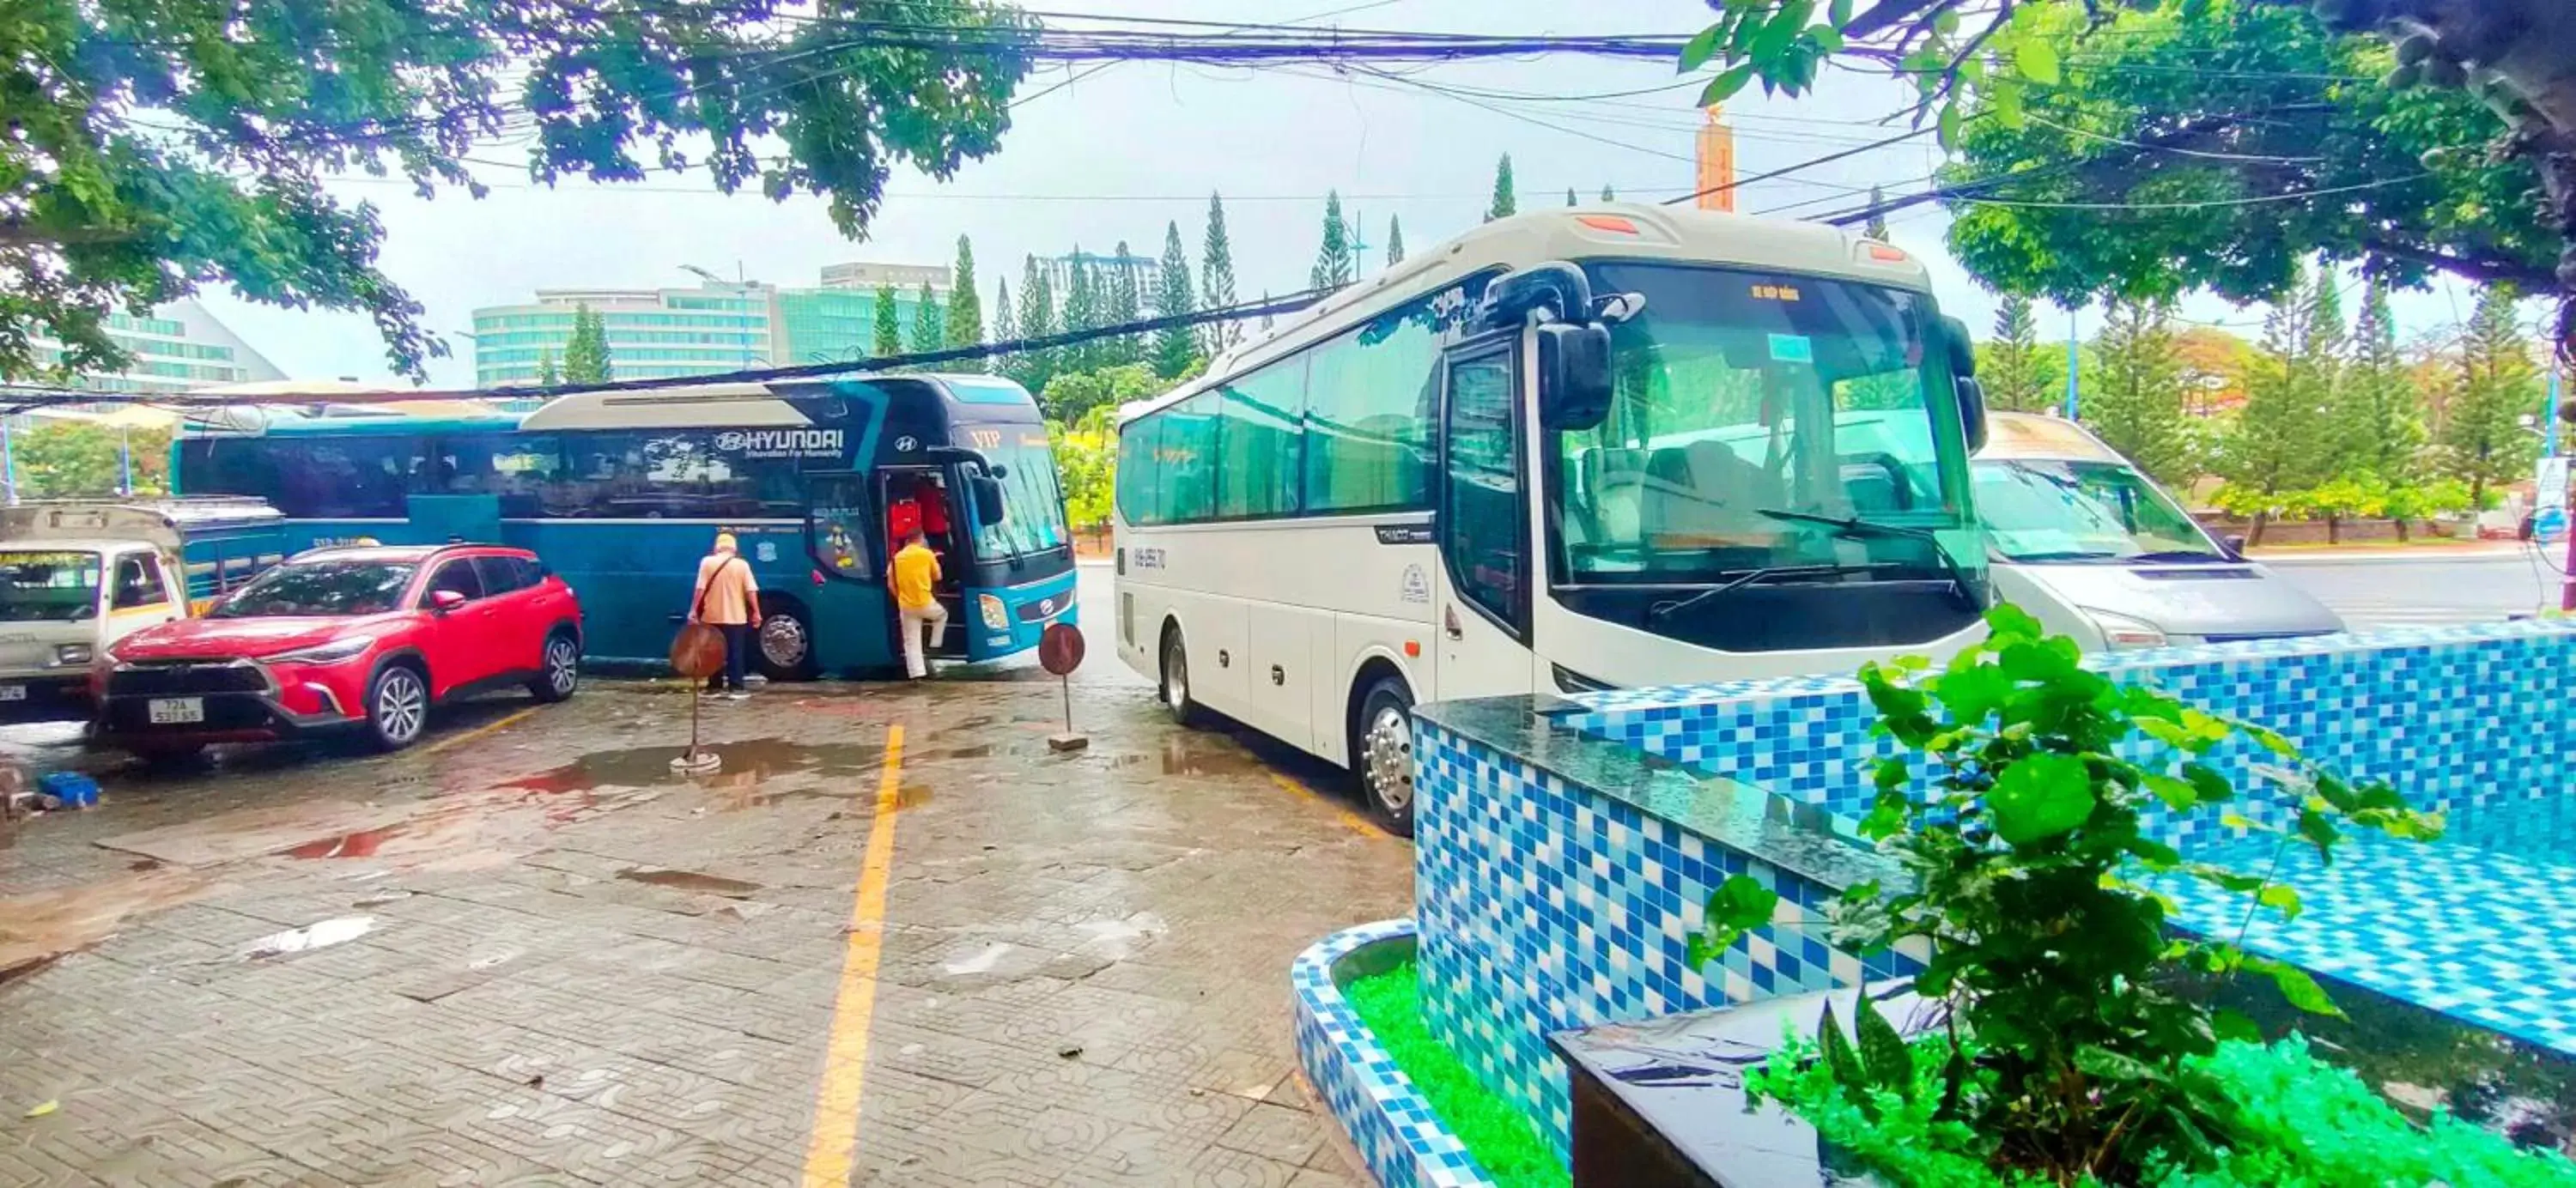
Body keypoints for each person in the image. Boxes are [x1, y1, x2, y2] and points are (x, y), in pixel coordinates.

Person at [690, 532, 762, 699]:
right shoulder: (742, 565)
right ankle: (736, 688)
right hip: (736, 617)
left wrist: (693, 610)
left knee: (713, 652)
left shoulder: (707, 562)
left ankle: (714, 686)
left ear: (717, 547)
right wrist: (757, 612)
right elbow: (751, 590)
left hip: (711, 617)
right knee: (735, 652)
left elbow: (700, 589)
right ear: (734, 548)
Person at [890, 527, 945, 680]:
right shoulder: (927, 554)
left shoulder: (897, 557)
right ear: (921, 539)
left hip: (906, 606)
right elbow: (938, 576)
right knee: (941, 616)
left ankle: (917, 675)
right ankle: (935, 645)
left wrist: (900, 597)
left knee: (911, 641)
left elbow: (891, 583)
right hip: (925, 602)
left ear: (907, 541)